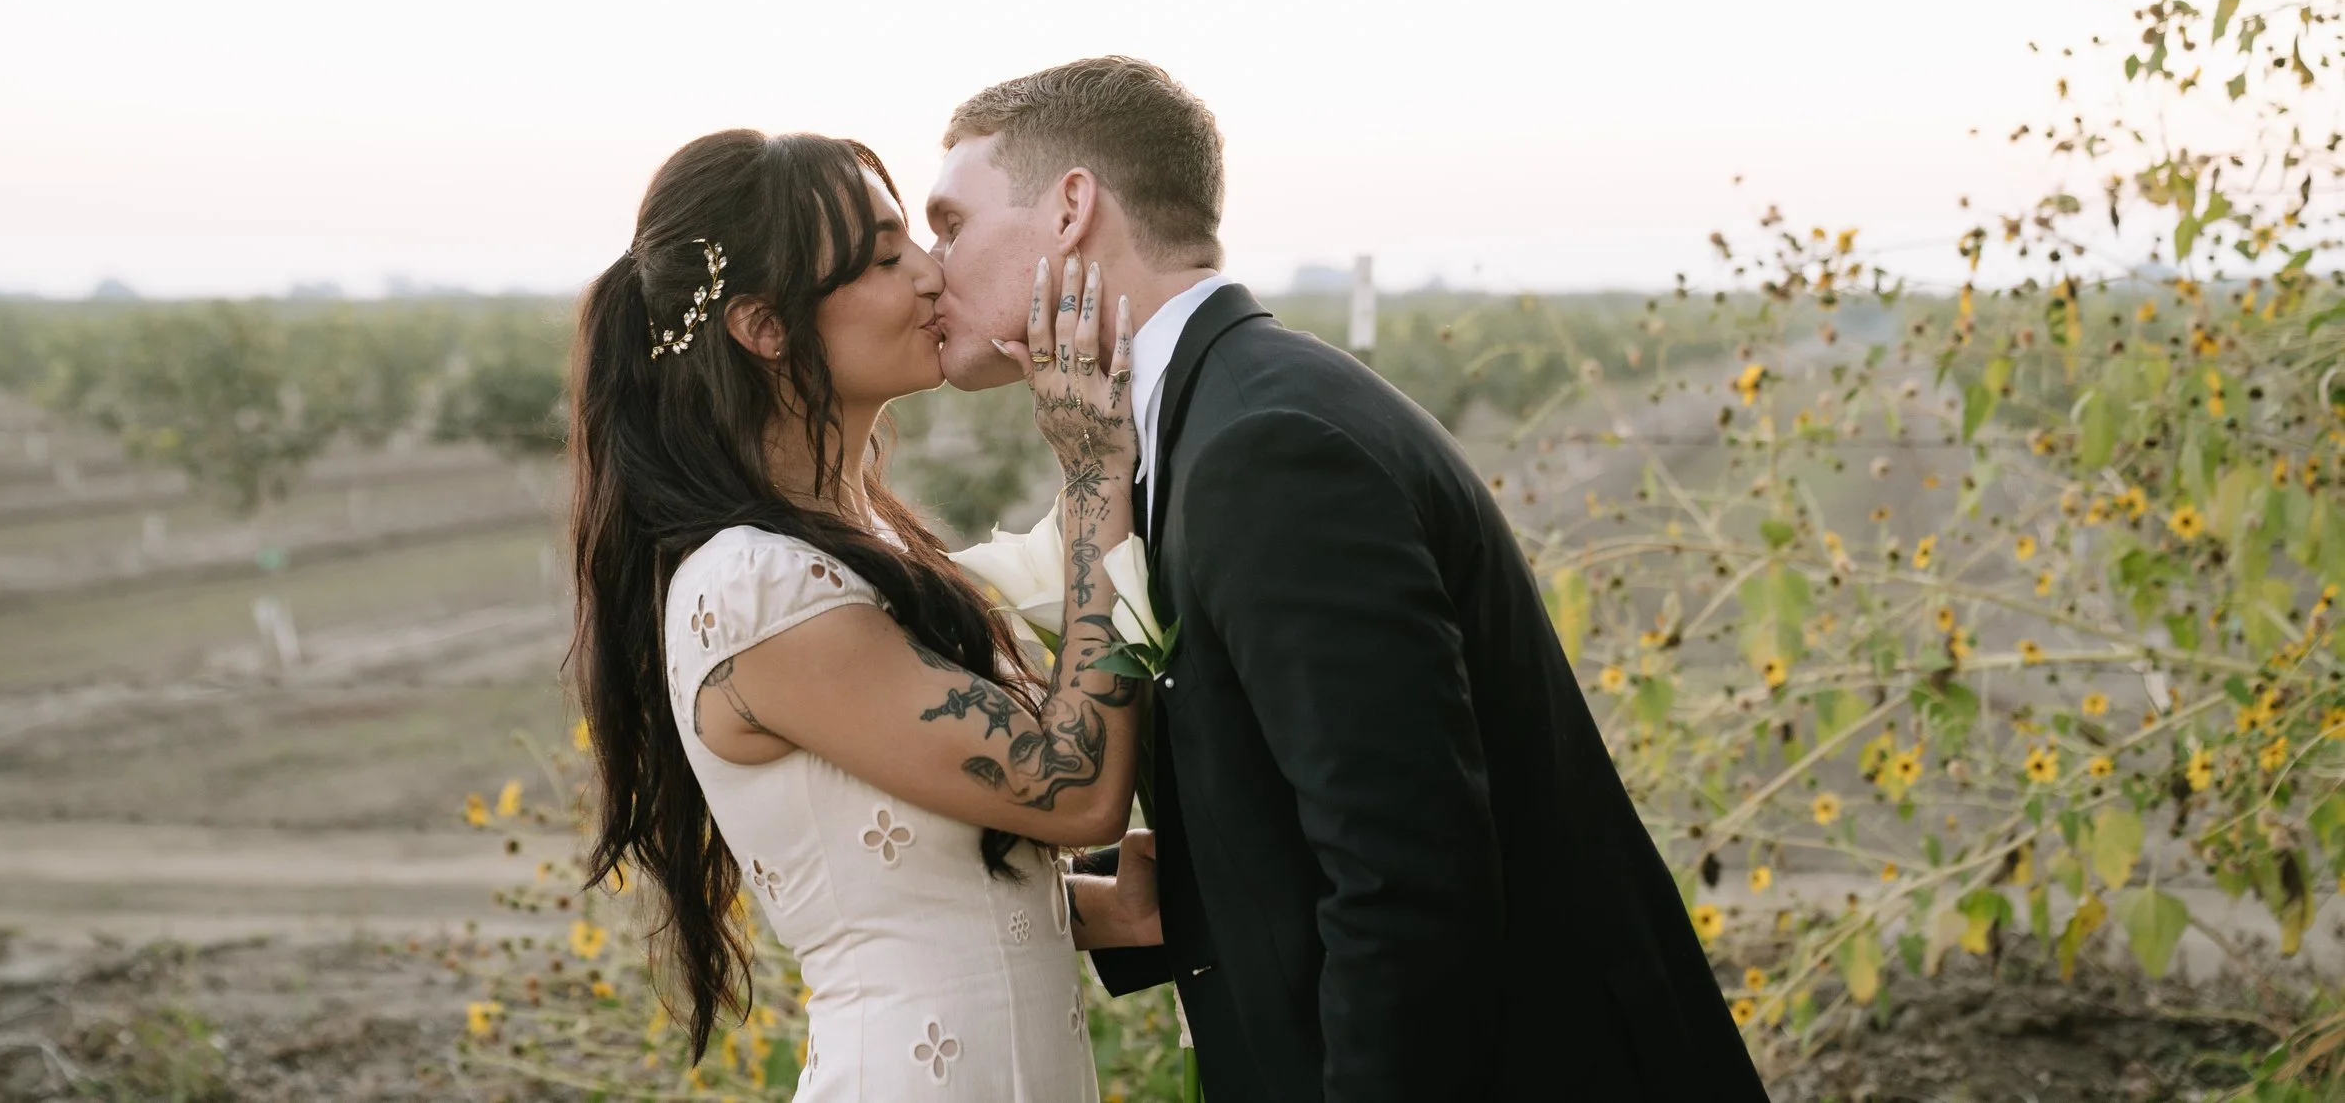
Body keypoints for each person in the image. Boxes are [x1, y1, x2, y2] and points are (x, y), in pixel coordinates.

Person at [926, 57, 1772, 1102]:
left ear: (1069, 208)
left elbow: (1405, 877)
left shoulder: (1267, 448)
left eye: (950, 223)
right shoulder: (1210, 420)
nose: (930, 267)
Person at [565, 128, 1160, 1100]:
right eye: (886, 258)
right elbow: (1075, 785)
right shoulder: (757, 586)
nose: (934, 274)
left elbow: (904, 892)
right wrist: (1097, 479)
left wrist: (1095, 904)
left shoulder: (859, 535)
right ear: (763, 325)